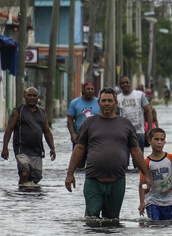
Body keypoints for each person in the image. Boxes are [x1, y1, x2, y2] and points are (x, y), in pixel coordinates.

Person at [65, 87, 151, 219]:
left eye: (110, 100)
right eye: (103, 100)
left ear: (116, 103)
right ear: (98, 103)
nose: (106, 103)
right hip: (93, 181)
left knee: (112, 221)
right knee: (91, 218)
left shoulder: (126, 124)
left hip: (117, 181)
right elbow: (79, 148)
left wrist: (145, 174)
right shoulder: (89, 123)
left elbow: (135, 151)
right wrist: (70, 174)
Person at [2, 87, 56, 189]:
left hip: (37, 151)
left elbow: (47, 131)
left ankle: (30, 200)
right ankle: (21, 197)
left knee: (35, 179)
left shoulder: (42, 113)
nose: (31, 98)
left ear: (38, 97)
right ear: (24, 96)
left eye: (34, 96)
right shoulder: (18, 111)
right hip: (22, 149)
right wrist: (5, 147)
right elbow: (9, 129)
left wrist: (52, 148)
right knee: (24, 174)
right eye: (29, 95)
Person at [138, 128, 172, 220]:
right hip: (152, 201)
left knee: (166, 224)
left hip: (169, 201)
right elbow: (142, 184)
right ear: (149, 141)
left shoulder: (171, 158)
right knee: (155, 223)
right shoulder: (146, 162)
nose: (159, 142)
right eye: (156, 139)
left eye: (162, 140)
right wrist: (142, 202)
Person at [117, 75, 155, 152]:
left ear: (130, 83)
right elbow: (116, 116)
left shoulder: (139, 95)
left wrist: (150, 130)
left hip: (139, 133)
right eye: (122, 83)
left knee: (138, 161)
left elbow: (148, 111)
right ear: (120, 85)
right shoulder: (117, 98)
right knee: (124, 161)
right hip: (124, 134)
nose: (125, 84)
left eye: (127, 82)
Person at [67, 81, 99, 168]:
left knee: (94, 164)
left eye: (92, 89)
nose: (90, 91)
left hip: (95, 137)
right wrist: (72, 134)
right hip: (79, 136)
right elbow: (70, 119)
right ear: (83, 90)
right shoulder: (74, 103)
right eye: (88, 89)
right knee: (78, 164)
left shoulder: (99, 102)